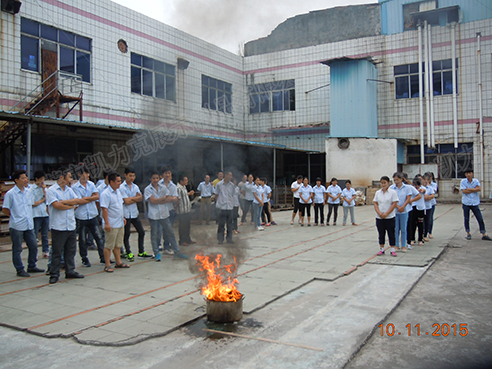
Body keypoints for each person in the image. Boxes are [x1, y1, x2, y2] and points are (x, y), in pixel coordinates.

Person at [46, 168, 87, 284]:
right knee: (57, 252)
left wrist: (64, 202)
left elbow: (76, 201)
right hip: (59, 226)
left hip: (70, 225)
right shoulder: (52, 191)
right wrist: (69, 204)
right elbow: (56, 205)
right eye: (69, 177)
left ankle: (70, 270)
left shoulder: (69, 190)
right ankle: (54, 274)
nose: (71, 180)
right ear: (61, 178)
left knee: (71, 250)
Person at [2, 170, 44, 277]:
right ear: (16, 180)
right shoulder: (11, 194)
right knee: (17, 248)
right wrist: (15, 216)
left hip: (28, 224)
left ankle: (32, 265)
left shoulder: (28, 191)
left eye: (26, 178)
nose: (26, 180)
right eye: (23, 178)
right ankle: (19, 269)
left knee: (33, 245)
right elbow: (5, 209)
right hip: (17, 225)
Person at [145, 170, 188, 261]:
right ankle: (156, 253)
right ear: (150, 179)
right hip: (154, 215)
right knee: (155, 234)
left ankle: (177, 252)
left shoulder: (163, 187)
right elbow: (152, 201)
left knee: (170, 233)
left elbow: (169, 198)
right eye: (154, 178)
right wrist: (162, 199)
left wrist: (158, 200)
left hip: (164, 214)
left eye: (157, 178)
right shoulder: (147, 189)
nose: (156, 180)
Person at [72, 166, 105, 267]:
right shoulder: (75, 187)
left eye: (87, 173)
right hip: (81, 216)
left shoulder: (91, 184)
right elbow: (78, 201)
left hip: (92, 214)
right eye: (84, 173)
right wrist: (90, 198)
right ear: (79, 174)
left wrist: (86, 198)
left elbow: (97, 196)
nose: (86, 175)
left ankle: (103, 257)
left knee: (98, 237)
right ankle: (84, 259)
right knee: (82, 239)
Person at [100, 172, 131, 272]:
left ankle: (118, 262)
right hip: (111, 223)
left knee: (118, 244)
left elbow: (119, 206)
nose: (119, 183)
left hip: (119, 222)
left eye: (120, 181)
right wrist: (107, 223)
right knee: (109, 245)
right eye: (118, 181)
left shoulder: (118, 192)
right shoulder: (105, 194)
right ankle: (108, 264)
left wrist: (123, 217)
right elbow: (104, 209)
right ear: (111, 182)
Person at [120, 167, 149, 260]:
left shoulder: (135, 186)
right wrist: (134, 199)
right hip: (126, 214)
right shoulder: (121, 187)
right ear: (125, 175)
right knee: (126, 234)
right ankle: (128, 252)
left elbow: (140, 198)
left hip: (134, 213)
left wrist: (131, 199)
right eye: (130, 176)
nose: (132, 178)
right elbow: (125, 201)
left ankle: (141, 251)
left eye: (133, 176)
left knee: (141, 232)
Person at [461, 169, 492, 241]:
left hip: (475, 202)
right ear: (465, 174)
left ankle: (483, 234)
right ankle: (468, 233)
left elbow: (479, 189)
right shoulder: (463, 181)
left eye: (470, 173)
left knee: (480, 218)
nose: (468, 175)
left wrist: (469, 189)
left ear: (472, 174)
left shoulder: (476, 181)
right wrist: (474, 189)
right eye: (467, 173)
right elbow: (464, 191)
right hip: (466, 203)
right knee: (466, 218)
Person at [390, 172, 417, 252]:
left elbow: (408, 198)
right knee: (396, 228)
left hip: (405, 210)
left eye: (397, 180)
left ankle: (404, 245)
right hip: (395, 210)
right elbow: (392, 199)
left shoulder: (407, 187)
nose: (396, 182)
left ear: (401, 179)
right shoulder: (392, 188)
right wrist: (398, 207)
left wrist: (403, 207)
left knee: (404, 228)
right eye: (394, 180)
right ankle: (397, 245)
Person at [373, 176, 399, 257]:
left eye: (385, 183)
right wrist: (379, 213)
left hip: (390, 217)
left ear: (388, 183)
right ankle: (381, 249)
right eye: (382, 183)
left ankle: (393, 249)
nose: (383, 184)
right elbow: (375, 203)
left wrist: (387, 213)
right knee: (381, 233)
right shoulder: (378, 193)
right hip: (379, 217)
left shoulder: (393, 192)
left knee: (391, 233)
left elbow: (394, 203)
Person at [159, 165, 178, 254]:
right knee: (159, 229)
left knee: (169, 229)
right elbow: (157, 197)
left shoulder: (173, 185)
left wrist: (165, 198)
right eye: (166, 173)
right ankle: (160, 246)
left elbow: (175, 198)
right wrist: (168, 198)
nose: (167, 175)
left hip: (170, 210)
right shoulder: (158, 184)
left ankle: (167, 246)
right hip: (160, 210)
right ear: (162, 174)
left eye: (169, 173)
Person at [31, 170, 50, 258]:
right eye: (41, 179)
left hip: (45, 213)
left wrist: (44, 190)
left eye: (43, 179)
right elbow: (33, 202)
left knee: (45, 234)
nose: (42, 181)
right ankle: (34, 253)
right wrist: (42, 200)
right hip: (36, 214)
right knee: (34, 234)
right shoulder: (31, 189)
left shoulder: (44, 189)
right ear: (36, 179)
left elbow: (48, 199)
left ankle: (45, 251)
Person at [214, 171, 236, 243]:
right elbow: (216, 195)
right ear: (225, 175)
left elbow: (232, 195)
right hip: (222, 207)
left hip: (229, 207)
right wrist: (219, 204)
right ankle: (220, 239)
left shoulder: (232, 185)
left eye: (231, 176)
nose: (231, 177)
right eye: (229, 175)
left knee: (230, 224)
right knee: (221, 224)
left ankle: (229, 239)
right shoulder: (219, 185)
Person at [177, 175, 196, 246]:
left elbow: (184, 195)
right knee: (182, 227)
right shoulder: (178, 188)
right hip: (182, 211)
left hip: (187, 210)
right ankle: (182, 241)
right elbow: (178, 199)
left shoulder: (183, 187)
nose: (187, 181)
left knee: (187, 226)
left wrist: (189, 194)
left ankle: (187, 239)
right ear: (181, 181)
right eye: (185, 180)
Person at [408, 177, 426, 246]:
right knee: (412, 224)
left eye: (418, 185)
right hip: (413, 207)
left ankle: (420, 239)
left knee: (420, 224)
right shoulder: (411, 188)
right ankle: (412, 239)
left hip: (420, 208)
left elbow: (424, 191)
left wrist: (422, 190)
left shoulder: (423, 188)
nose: (416, 187)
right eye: (415, 185)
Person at [422, 174, 435, 242]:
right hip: (421, 207)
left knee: (427, 221)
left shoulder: (429, 188)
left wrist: (428, 197)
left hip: (428, 206)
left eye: (427, 180)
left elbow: (432, 196)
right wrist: (428, 197)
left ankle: (425, 235)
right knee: (421, 222)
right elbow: (425, 197)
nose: (426, 182)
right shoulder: (420, 188)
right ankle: (421, 235)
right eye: (425, 180)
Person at [426, 171, 438, 239]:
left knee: (430, 218)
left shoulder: (434, 184)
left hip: (432, 203)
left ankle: (430, 232)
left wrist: (428, 185)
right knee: (424, 219)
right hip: (425, 204)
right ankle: (424, 232)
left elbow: (432, 192)